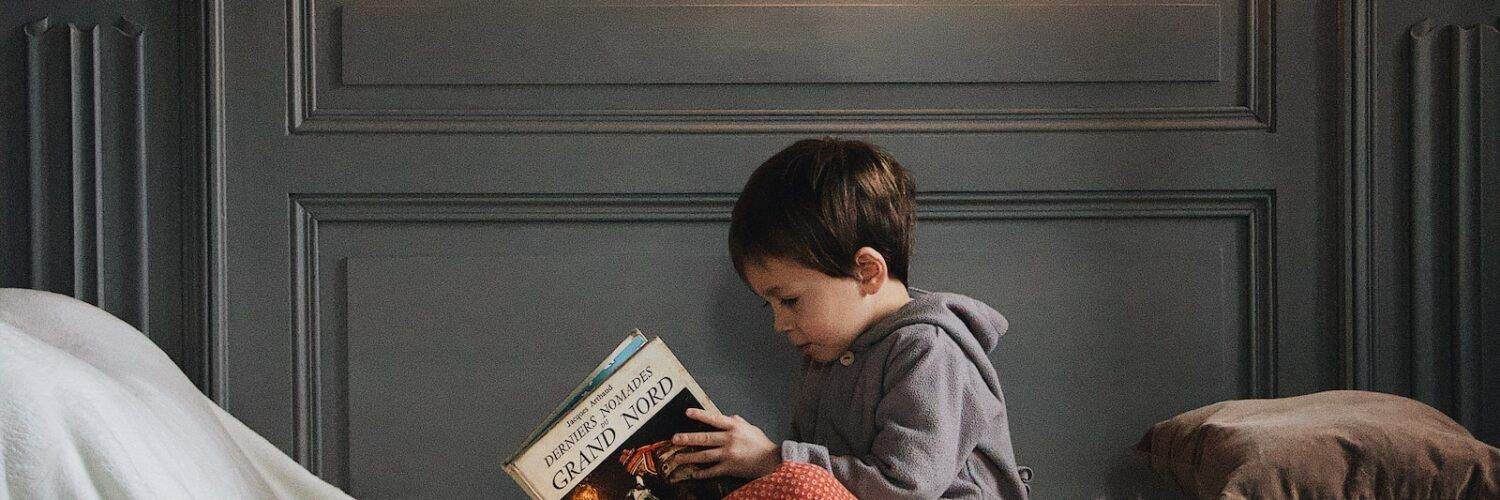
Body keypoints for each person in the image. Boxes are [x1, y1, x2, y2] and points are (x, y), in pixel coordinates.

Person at [665, 138, 1032, 499]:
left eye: (790, 300)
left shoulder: (928, 351)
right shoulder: (828, 353)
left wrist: (771, 459)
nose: (780, 323)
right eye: (770, 306)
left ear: (868, 272)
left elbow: (906, 488)